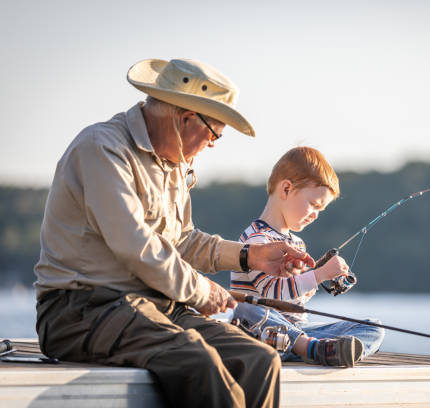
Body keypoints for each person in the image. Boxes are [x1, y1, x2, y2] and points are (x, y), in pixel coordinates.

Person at [33, 58, 316, 408]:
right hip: (80, 310)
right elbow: (136, 245)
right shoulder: (102, 149)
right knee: (197, 362)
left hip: (153, 307)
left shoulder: (174, 163)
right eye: (215, 133)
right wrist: (201, 291)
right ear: (186, 119)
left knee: (259, 360)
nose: (214, 144)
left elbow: (181, 240)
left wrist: (249, 256)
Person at [230, 147, 385, 367]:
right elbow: (273, 293)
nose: (316, 215)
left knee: (373, 328)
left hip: (297, 332)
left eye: (321, 210)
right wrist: (319, 275)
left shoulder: (297, 244)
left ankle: (317, 350)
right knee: (245, 309)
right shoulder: (255, 239)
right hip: (258, 331)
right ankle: (311, 349)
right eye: (313, 205)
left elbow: (294, 301)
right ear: (286, 189)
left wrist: (311, 282)